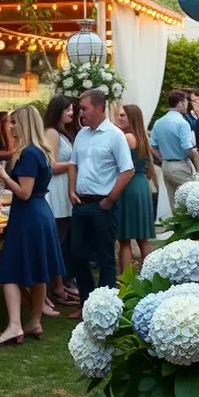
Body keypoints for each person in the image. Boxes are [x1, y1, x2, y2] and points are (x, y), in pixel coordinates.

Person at [0, 105, 64, 346]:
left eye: (14, 122)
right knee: (39, 272)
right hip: (39, 214)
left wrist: (3, 175)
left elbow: (25, 193)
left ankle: (14, 326)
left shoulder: (29, 154)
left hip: (28, 215)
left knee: (9, 270)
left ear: (24, 124)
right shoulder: (38, 152)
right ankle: (34, 322)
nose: (11, 127)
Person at [68, 89, 135, 312]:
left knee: (106, 257)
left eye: (84, 108)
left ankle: (105, 307)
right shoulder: (82, 134)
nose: (81, 113)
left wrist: (110, 198)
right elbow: (73, 164)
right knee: (76, 255)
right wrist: (71, 190)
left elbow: (127, 170)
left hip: (102, 205)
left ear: (98, 108)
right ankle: (87, 303)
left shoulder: (115, 135)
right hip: (80, 204)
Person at [43, 95, 79, 306]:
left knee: (63, 243)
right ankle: (48, 291)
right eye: (67, 110)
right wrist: (74, 163)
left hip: (65, 193)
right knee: (56, 242)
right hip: (55, 193)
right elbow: (51, 166)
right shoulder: (52, 133)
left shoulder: (64, 133)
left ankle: (59, 286)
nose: (71, 113)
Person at [116, 104, 156, 272]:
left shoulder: (126, 138)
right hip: (141, 185)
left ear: (132, 118)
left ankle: (124, 280)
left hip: (128, 185)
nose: (119, 118)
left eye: (123, 115)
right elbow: (148, 170)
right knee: (143, 239)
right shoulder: (143, 138)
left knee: (125, 239)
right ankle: (149, 274)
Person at [150, 90, 198, 209]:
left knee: (174, 204)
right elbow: (187, 147)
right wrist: (197, 166)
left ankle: (178, 227)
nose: (188, 105)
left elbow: (152, 145)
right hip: (180, 165)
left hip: (166, 166)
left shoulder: (159, 122)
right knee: (193, 199)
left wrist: (163, 159)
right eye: (187, 102)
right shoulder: (182, 122)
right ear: (181, 103)